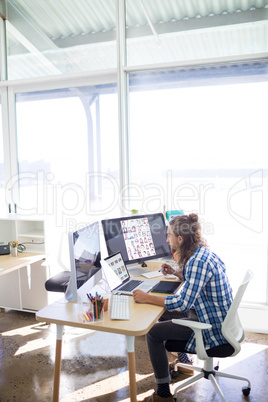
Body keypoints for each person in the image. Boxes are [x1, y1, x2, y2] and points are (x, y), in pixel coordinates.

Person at [133, 213, 233, 402]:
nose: (166, 239)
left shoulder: (197, 261)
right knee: (163, 314)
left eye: (169, 235)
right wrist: (176, 272)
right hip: (211, 314)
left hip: (210, 325)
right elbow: (196, 279)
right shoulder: (202, 252)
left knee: (153, 333)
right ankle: (185, 361)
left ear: (179, 239)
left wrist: (147, 298)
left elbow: (182, 303)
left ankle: (163, 393)